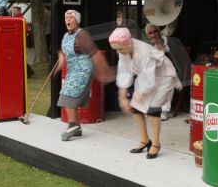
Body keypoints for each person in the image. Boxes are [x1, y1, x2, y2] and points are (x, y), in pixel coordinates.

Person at [109, 27, 182, 159]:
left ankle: (156, 144)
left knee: (153, 109)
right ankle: (144, 140)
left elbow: (148, 80)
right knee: (136, 108)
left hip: (164, 77)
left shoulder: (144, 51)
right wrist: (122, 96)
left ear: (129, 43)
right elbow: (124, 71)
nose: (118, 52)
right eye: (116, 49)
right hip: (148, 77)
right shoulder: (123, 50)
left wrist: (136, 96)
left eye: (119, 49)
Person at [54, 9, 114, 141]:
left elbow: (95, 53)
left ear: (77, 20)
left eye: (71, 18)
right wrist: (61, 57)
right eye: (66, 18)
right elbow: (64, 50)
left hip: (82, 70)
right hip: (72, 70)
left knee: (67, 95)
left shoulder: (83, 35)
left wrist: (104, 71)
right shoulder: (66, 35)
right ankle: (76, 127)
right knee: (69, 95)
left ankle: (73, 126)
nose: (68, 20)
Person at [144, 23, 172, 121]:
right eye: (150, 33)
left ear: (159, 32)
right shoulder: (147, 45)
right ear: (147, 35)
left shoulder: (165, 40)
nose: (153, 34)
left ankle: (165, 110)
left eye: (155, 31)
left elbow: (165, 52)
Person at [12, 6, 35, 78]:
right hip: (17, 42)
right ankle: (28, 72)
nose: (13, 12)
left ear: (19, 11)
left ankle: (29, 72)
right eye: (13, 11)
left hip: (19, 42)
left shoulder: (21, 20)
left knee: (20, 58)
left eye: (15, 11)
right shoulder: (18, 19)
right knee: (18, 58)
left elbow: (23, 32)